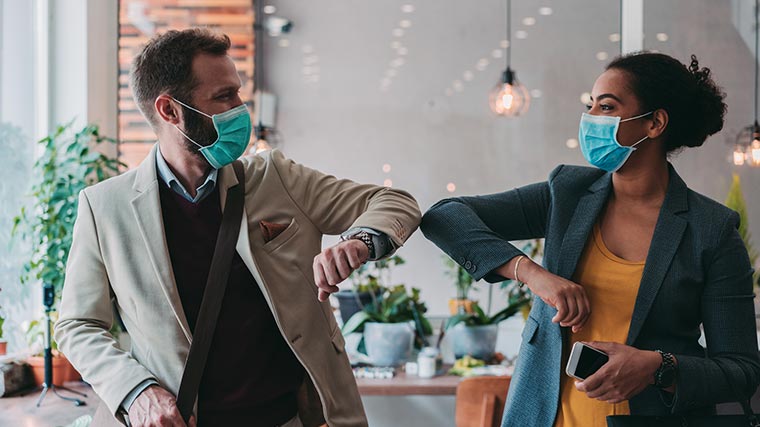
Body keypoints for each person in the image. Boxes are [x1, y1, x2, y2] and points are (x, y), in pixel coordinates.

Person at [54, 28, 420, 427]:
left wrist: (359, 241)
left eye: (237, 93)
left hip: (290, 418)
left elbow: (394, 201)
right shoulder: (104, 206)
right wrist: (135, 389)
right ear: (170, 110)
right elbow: (77, 324)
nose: (240, 108)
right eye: (224, 96)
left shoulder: (277, 177)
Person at [420, 52, 760, 427]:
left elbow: (741, 370)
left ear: (655, 122)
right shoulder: (566, 194)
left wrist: (656, 367)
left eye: (607, 106)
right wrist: (531, 273)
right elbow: (443, 216)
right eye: (590, 106)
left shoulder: (711, 230)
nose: (591, 118)